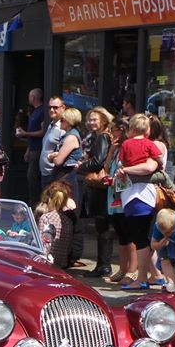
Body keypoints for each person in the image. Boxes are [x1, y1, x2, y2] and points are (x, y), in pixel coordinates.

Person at [115, 114, 162, 290]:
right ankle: (156, 275)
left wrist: (126, 168)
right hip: (146, 195)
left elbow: (121, 162)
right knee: (145, 238)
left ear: (132, 128)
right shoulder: (150, 144)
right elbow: (157, 160)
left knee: (140, 239)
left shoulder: (126, 144)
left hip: (134, 196)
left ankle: (141, 278)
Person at [79, 107, 114, 277]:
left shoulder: (103, 137)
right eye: (90, 119)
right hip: (101, 187)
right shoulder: (100, 136)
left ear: (103, 120)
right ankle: (102, 265)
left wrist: (82, 166)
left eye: (95, 119)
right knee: (102, 226)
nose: (91, 122)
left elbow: (98, 162)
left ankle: (103, 266)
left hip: (101, 187)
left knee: (103, 225)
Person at [48, 106, 84, 266]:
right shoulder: (67, 135)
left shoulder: (71, 137)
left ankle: (72, 255)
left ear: (69, 121)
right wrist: (53, 156)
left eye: (62, 119)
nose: (60, 122)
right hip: (62, 177)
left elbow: (58, 160)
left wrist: (53, 156)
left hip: (66, 179)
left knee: (69, 214)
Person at [17, 89, 46, 205]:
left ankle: (35, 203)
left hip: (38, 149)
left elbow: (43, 131)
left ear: (33, 97)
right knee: (31, 176)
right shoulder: (34, 112)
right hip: (33, 149)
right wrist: (28, 150)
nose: (28, 99)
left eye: (30, 96)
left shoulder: (42, 111)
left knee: (33, 176)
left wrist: (26, 134)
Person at [37, 180, 74, 268]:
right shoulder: (68, 221)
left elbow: (44, 245)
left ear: (49, 199)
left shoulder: (46, 218)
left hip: (46, 263)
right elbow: (69, 247)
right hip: (61, 263)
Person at [38, 97, 66, 189]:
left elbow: (64, 152)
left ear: (63, 108)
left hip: (54, 175)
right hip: (45, 174)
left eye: (55, 107)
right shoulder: (51, 125)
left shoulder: (63, 127)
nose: (51, 110)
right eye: (50, 107)